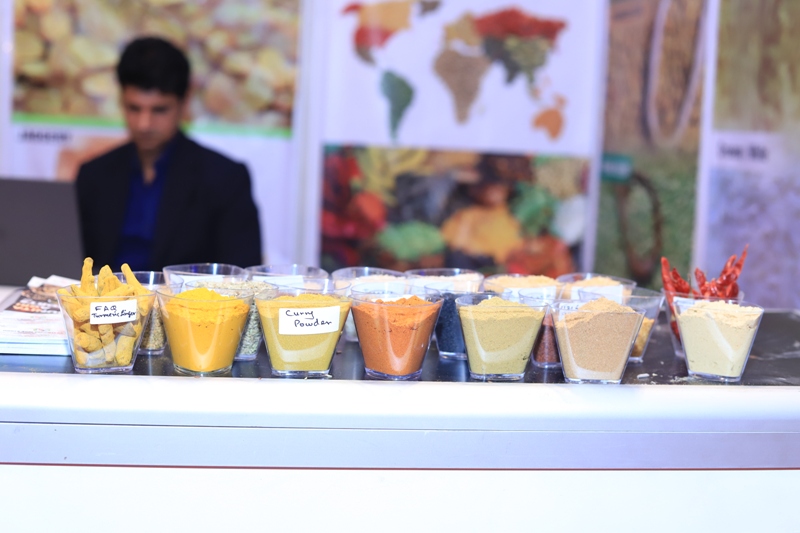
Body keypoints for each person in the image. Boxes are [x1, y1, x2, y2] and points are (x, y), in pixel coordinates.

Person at [76, 37, 262, 271]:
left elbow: (242, 275)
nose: (144, 124)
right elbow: (71, 264)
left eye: (159, 110)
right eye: (134, 108)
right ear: (121, 100)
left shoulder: (224, 179)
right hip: (106, 295)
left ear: (185, 103)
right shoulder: (94, 175)